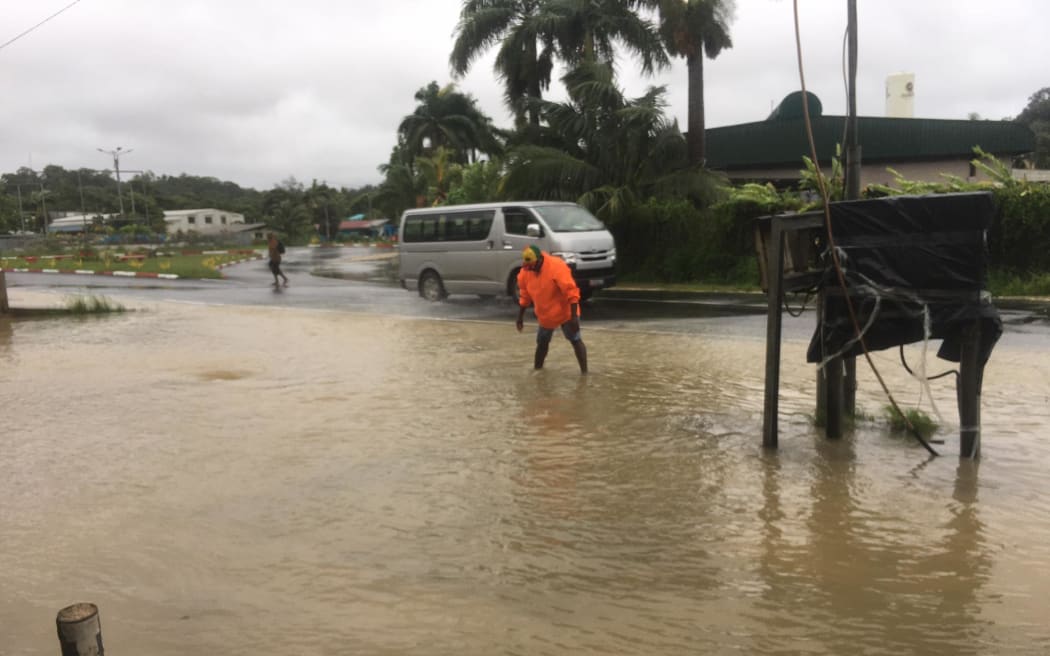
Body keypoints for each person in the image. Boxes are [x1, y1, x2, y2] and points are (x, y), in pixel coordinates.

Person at [515, 245, 588, 373]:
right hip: (545, 313)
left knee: (575, 340)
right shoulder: (526, 272)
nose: (530, 269)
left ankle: (585, 374)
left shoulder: (557, 267)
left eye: (532, 266)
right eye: (528, 266)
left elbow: (571, 292)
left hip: (565, 311)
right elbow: (524, 295)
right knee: (542, 343)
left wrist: (574, 317)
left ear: (540, 260)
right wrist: (520, 317)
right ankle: (537, 372)